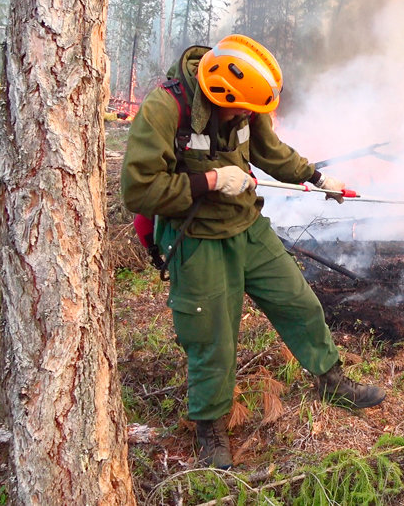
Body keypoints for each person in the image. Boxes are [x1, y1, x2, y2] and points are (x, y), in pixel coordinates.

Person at [121, 34, 386, 469]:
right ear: (217, 92)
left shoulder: (244, 101)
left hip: (247, 227)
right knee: (213, 338)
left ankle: (331, 380)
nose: (249, 116)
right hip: (198, 241)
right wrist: (210, 181)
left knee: (298, 301)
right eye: (243, 109)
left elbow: (269, 150)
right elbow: (138, 190)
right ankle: (209, 427)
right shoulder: (164, 110)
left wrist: (316, 178)